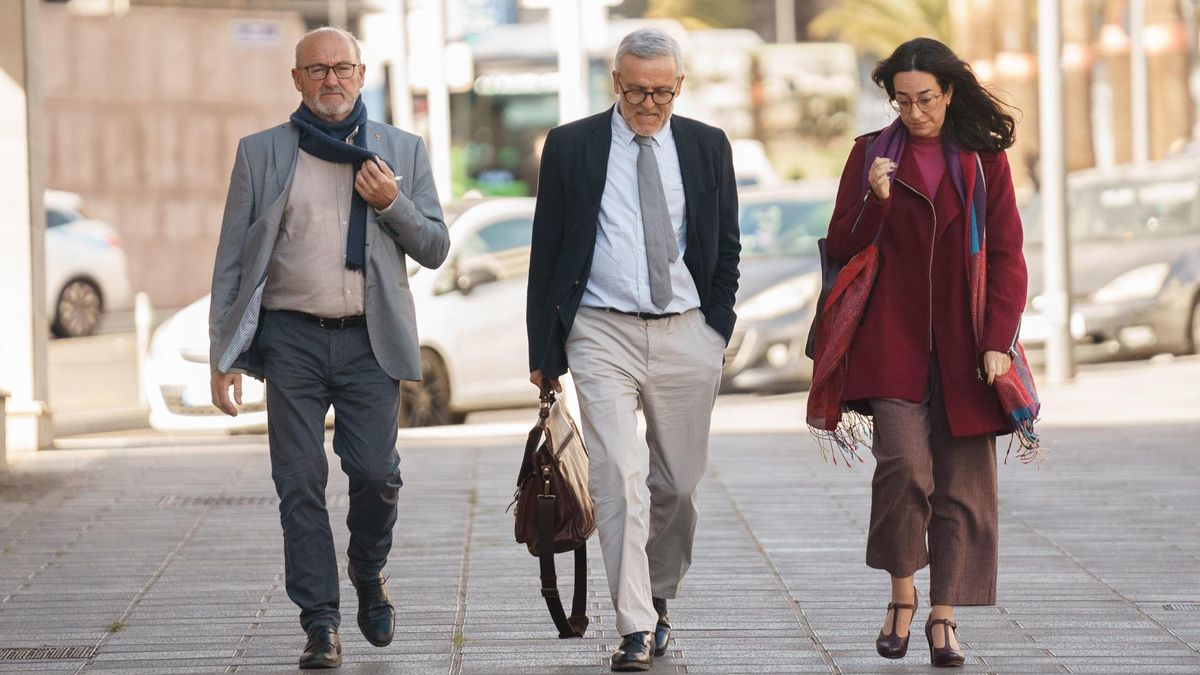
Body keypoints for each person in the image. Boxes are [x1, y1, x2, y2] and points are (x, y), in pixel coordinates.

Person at [207, 27, 449, 669]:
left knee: (375, 474)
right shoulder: (261, 153)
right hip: (291, 339)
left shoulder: (402, 149)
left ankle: (367, 570)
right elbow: (232, 260)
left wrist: (392, 202)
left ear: (362, 74)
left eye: (342, 68)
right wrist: (223, 355)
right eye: (317, 70)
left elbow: (434, 247)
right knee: (299, 482)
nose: (331, 79)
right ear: (297, 80)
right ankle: (320, 622)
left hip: (370, 340)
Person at [526, 28, 740, 672]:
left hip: (686, 330)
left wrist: (716, 326)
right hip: (600, 330)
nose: (650, 104)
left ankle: (659, 593)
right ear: (615, 82)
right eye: (638, 91)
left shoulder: (707, 145)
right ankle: (636, 625)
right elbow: (546, 250)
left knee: (677, 486)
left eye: (663, 92)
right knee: (618, 476)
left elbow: (726, 243)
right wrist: (545, 351)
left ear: (680, 86)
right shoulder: (571, 146)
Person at [817, 37, 1027, 667]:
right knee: (905, 468)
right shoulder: (870, 155)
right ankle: (901, 595)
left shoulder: (985, 161)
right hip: (892, 341)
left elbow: (1007, 254)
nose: (915, 112)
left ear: (949, 92)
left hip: (967, 344)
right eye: (903, 101)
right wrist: (874, 202)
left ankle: (943, 616)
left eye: (926, 99)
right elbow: (840, 246)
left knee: (963, 485)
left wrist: (997, 340)